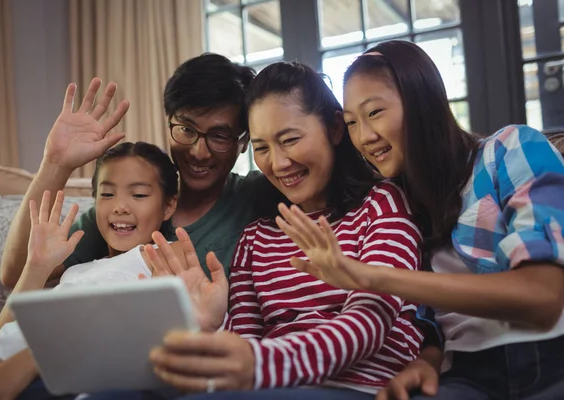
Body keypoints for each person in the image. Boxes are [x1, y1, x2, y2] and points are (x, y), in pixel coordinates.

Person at [102, 61, 427, 400]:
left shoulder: (382, 204)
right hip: (267, 385)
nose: (278, 162)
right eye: (261, 148)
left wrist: (258, 364)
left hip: (353, 385)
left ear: (334, 128)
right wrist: (209, 324)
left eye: (290, 140)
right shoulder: (256, 236)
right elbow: (243, 339)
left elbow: (369, 321)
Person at [278, 40, 564, 400]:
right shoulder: (399, 204)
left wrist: (370, 276)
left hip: (548, 357)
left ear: (421, 102)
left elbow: (542, 298)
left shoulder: (510, 149)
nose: (364, 137)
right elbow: (436, 318)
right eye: (351, 122)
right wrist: (428, 358)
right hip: (465, 373)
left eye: (375, 112)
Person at [0, 53, 269, 290]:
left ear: (244, 141)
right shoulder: (129, 208)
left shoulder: (256, 194)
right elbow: (16, 274)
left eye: (219, 136)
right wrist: (56, 162)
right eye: (186, 129)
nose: (199, 151)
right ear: (169, 124)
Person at [0, 142, 181, 400]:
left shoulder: (165, 254)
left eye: (139, 195)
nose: (120, 206)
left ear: (168, 206)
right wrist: (36, 266)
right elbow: (1, 340)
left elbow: (138, 336)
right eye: (107, 194)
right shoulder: (75, 271)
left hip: (55, 382)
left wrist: (33, 358)